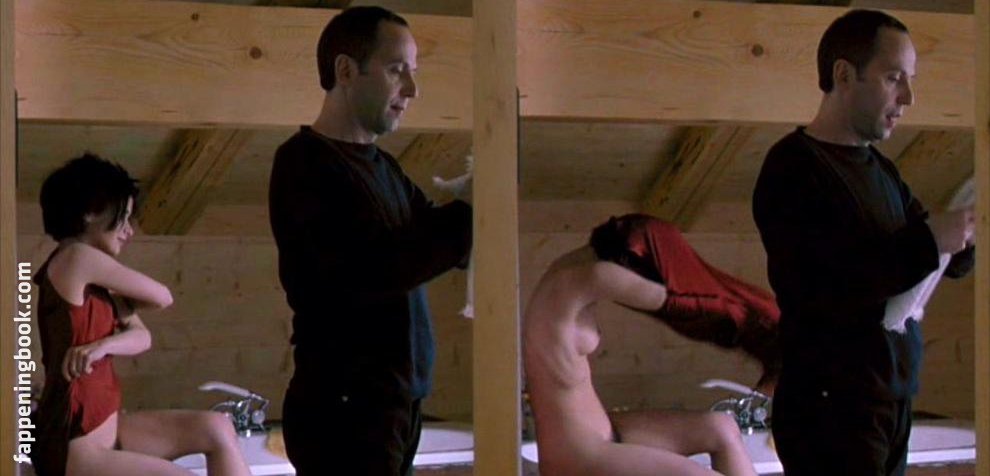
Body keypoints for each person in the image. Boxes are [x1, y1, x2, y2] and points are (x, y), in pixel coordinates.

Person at [752, 9, 975, 476]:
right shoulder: (793, 168)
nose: (908, 97)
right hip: (830, 408)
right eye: (894, 78)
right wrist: (933, 239)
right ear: (843, 74)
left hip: (887, 400)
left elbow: (934, 254)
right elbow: (833, 284)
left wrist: (968, 232)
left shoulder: (881, 169)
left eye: (909, 80)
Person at [267, 6, 472, 475]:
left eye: (413, 72)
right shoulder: (304, 164)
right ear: (345, 70)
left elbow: (434, 238)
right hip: (343, 411)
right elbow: (379, 267)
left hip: (395, 405)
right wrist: (470, 212)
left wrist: (476, 212)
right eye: (397, 69)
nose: (412, 90)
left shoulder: (385, 168)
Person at [31, 154, 250, 476]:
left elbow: (142, 337)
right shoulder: (77, 256)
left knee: (217, 426)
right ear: (90, 212)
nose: (129, 231)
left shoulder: (97, 283)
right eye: (123, 217)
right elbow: (162, 296)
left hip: (106, 429)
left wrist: (103, 346)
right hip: (74, 449)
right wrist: (113, 326)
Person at [524, 213, 780, 476]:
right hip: (576, 454)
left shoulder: (570, 266)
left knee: (722, 427)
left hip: (604, 431)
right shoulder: (580, 279)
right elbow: (677, 301)